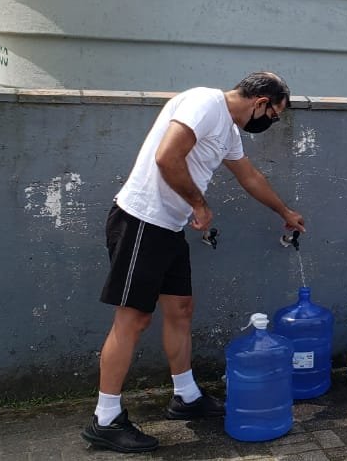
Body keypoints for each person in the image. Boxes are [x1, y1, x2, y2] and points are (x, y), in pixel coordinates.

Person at [82, 72, 306, 453]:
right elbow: (166, 156)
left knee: (181, 309)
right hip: (142, 220)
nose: (271, 122)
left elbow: (250, 177)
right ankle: (105, 419)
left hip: (168, 227)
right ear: (261, 102)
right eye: (274, 115)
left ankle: (185, 396)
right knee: (133, 319)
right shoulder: (205, 103)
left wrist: (284, 211)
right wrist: (199, 204)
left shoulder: (229, 131)